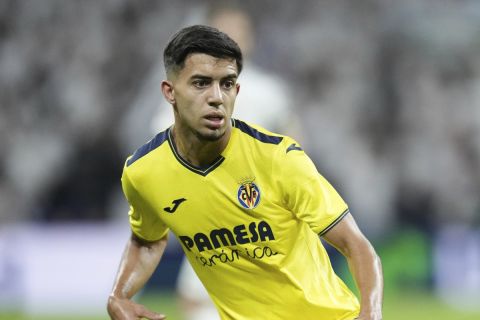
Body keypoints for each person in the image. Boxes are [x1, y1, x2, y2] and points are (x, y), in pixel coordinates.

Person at [107, 25, 383, 320]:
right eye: (201, 83)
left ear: (237, 90)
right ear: (169, 92)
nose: (216, 97)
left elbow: (356, 245)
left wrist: (370, 312)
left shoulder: (279, 159)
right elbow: (147, 240)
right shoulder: (143, 172)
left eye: (226, 84)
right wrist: (118, 296)